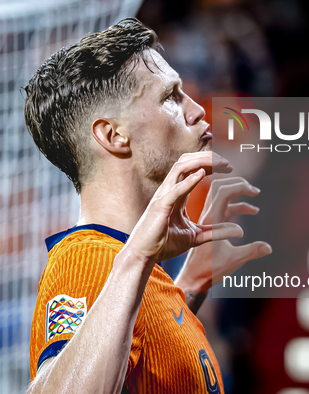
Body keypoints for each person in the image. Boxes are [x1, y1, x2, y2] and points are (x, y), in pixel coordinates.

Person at [23, 18, 272, 394]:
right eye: (170, 97)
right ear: (113, 135)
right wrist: (136, 256)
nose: (196, 110)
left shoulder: (135, 271)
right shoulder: (90, 259)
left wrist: (189, 285)